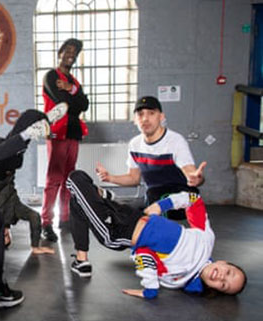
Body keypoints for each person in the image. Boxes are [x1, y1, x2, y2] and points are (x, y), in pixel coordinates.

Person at [64, 169, 246, 300]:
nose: (222, 277)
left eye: (224, 285)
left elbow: (146, 256)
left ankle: (101, 197)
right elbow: (194, 201)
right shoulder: (206, 240)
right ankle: (82, 261)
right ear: (223, 262)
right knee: (76, 202)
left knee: (75, 178)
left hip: (116, 232)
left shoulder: (179, 277)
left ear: (214, 290)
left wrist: (149, 290)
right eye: (229, 272)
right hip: (134, 215)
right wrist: (162, 205)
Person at [0, 105, 68, 254]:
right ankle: (43, 121)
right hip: (6, 154)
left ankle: (28, 133)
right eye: (7, 238)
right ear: (10, 235)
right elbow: (34, 217)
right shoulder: (13, 210)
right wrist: (35, 246)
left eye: (0, 239)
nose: (3, 236)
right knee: (14, 154)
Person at [95, 96, 205, 220]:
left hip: (185, 199)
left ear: (161, 117)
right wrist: (110, 178)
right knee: (126, 213)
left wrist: (196, 179)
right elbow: (133, 178)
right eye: (140, 114)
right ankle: (112, 199)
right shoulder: (135, 144)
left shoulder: (175, 141)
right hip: (155, 199)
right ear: (135, 120)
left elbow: (190, 172)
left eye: (151, 113)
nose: (145, 119)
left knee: (148, 203)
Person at [41, 38, 89, 242]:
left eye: (75, 52)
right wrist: (72, 97)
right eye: (68, 50)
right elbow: (63, 104)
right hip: (57, 132)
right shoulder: (51, 76)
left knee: (69, 179)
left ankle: (65, 218)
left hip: (73, 133)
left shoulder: (73, 82)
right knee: (54, 179)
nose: (71, 54)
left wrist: (70, 89)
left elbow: (84, 105)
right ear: (60, 52)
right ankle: (46, 223)